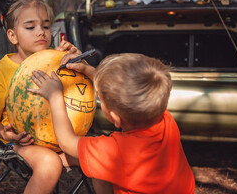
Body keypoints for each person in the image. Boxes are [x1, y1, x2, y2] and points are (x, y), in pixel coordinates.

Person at [29, 53, 196, 194]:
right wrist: (88, 70)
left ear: (116, 118)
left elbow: (67, 142)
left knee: (94, 162)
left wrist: (55, 96)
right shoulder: (164, 118)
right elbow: (130, 88)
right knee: (95, 166)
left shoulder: (115, 150)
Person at [0, 0, 80, 194]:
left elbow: (80, 96)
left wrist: (75, 61)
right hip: (20, 142)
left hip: (61, 139)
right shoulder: (0, 71)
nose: (40, 32)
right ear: (12, 36)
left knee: (101, 157)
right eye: (30, 27)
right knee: (49, 162)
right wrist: (4, 133)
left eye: (45, 25)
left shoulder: (57, 62)